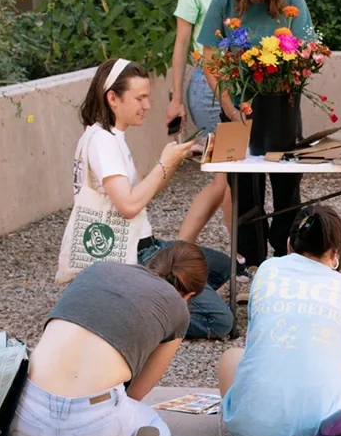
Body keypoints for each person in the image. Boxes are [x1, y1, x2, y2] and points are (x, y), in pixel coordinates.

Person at [9, 242, 205, 436]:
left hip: (22, 426)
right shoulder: (178, 309)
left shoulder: (96, 269)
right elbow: (137, 392)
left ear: (151, 264)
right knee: (152, 422)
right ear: (189, 295)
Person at [217, 205, 341, 436]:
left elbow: (256, 344)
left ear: (288, 244)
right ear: (335, 253)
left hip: (252, 434)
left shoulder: (267, 270)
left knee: (231, 357)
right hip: (330, 435)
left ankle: (259, 416)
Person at [72, 58, 234, 339]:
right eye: (140, 98)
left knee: (221, 266)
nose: (147, 105)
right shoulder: (102, 142)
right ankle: (142, 313)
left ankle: (154, 299)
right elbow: (129, 206)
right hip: (131, 254)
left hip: (147, 245)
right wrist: (163, 162)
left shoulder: (108, 136)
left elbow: (143, 194)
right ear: (113, 98)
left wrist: (173, 159)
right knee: (220, 323)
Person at [197, 0, 313, 277]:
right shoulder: (223, 3)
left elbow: (306, 55)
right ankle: (252, 259)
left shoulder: (293, 1)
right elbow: (210, 62)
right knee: (243, 189)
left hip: (281, 110)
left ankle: (285, 252)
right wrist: (230, 108)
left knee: (287, 187)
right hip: (236, 107)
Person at [168, 0, 248, 247]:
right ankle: (240, 257)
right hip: (208, 86)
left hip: (245, 85)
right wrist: (175, 99)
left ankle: (181, 249)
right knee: (227, 177)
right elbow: (181, 45)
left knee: (229, 178)